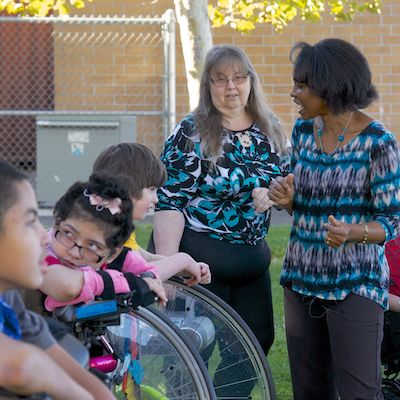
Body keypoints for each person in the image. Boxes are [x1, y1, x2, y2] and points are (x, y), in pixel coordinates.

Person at [151, 44, 289, 397]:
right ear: (208, 87)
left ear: (251, 82)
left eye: (239, 78)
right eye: (221, 79)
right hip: (198, 260)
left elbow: (286, 181)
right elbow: (169, 201)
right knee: (194, 344)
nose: (231, 87)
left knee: (254, 343)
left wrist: (272, 190)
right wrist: (166, 267)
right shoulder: (192, 132)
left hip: (250, 260)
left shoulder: (270, 129)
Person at [268, 38, 400, 400]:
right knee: (310, 392)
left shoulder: (378, 143)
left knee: (359, 393)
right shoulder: (303, 134)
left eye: (301, 85)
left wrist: (353, 232)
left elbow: (392, 219)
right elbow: (305, 205)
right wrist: (290, 200)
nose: (293, 92)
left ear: (330, 87)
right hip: (302, 278)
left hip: (355, 282)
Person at [0, 160, 114, 400]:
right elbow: (18, 368)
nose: (44, 237)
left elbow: (32, 335)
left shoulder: (7, 299)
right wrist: (45, 372)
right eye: (30, 221)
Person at [39, 172, 167, 312]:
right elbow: (68, 287)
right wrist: (125, 282)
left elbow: (140, 267)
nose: (75, 252)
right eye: (69, 234)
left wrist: (150, 278)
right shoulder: (43, 254)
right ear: (56, 223)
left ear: (112, 254)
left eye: (92, 245)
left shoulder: (113, 255)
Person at [92, 142, 211, 285]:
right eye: (152, 189)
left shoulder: (116, 224)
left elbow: (144, 259)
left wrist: (185, 267)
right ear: (126, 188)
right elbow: (141, 274)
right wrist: (181, 260)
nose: (156, 199)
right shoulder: (107, 229)